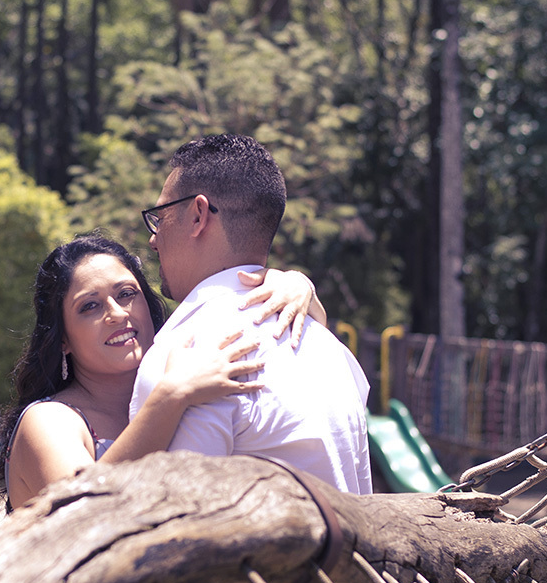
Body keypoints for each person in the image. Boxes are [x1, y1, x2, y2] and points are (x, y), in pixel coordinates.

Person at [0, 234, 324, 512]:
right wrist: (170, 397)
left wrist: (299, 286)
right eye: (90, 306)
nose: (117, 313)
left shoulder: (188, 381)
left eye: (126, 294)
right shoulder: (48, 421)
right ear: (63, 340)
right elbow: (85, 513)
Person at [130, 133, 372, 495]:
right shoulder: (332, 350)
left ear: (197, 215)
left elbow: (177, 515)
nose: (153, 239)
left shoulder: (188, 358)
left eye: (160, 217)